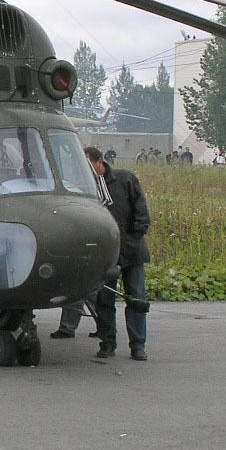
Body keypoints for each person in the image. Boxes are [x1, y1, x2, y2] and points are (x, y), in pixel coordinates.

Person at [83, 146, 150, 361]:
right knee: (104, 299)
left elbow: (141, 210)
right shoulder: (85, 188)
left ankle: (138, 345)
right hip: (104, 254)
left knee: (136, 297)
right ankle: (107, 342)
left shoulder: (125, 179)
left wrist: (133, 237)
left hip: (131, 251)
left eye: (88, 163)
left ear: (98, 161)